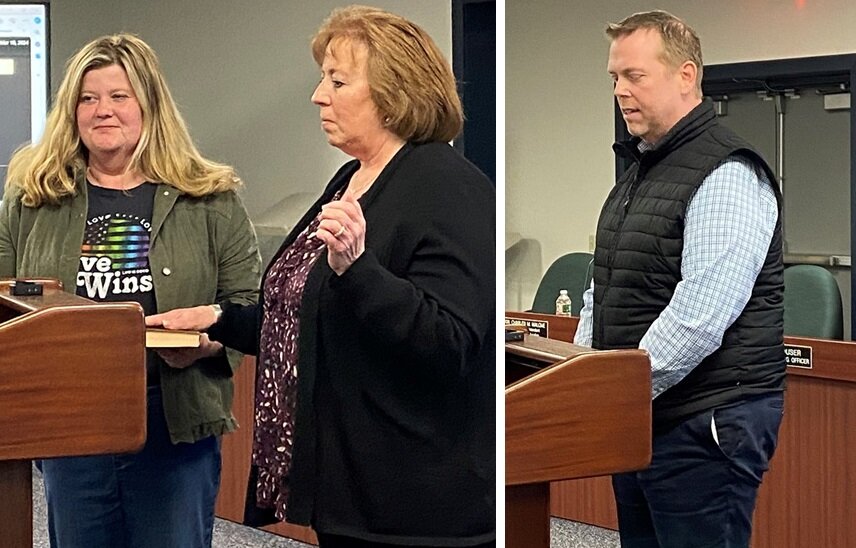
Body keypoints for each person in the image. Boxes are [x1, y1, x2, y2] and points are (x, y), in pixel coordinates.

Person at [146, 5, 495, 548]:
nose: (318, 95)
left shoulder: (450, 188)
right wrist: (217, 324)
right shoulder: (350, 178)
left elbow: (449, 342)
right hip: (344, 491)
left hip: (414, 506)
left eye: (337, 80)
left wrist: (359, 269)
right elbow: (304, 309)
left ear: (393, 91)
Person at [0, 34, 260, 548]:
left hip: (173, 417)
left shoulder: (210, 197)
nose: (103, 111)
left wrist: (207, 342)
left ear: (148, 105)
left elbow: (248, 305)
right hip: (72, 421)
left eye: (119, 96)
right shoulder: (33, 196)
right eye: (88, 98)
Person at [573, 10, 785, 548]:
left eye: (634, 75)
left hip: (704, 422)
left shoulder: (727, 171)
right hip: (642, 413)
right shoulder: (642, 169)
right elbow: (606, 282)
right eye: (614, 78)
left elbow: (700, 317)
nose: (620, 90)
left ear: (686, 75)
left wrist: (607, 391)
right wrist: (577, 373)